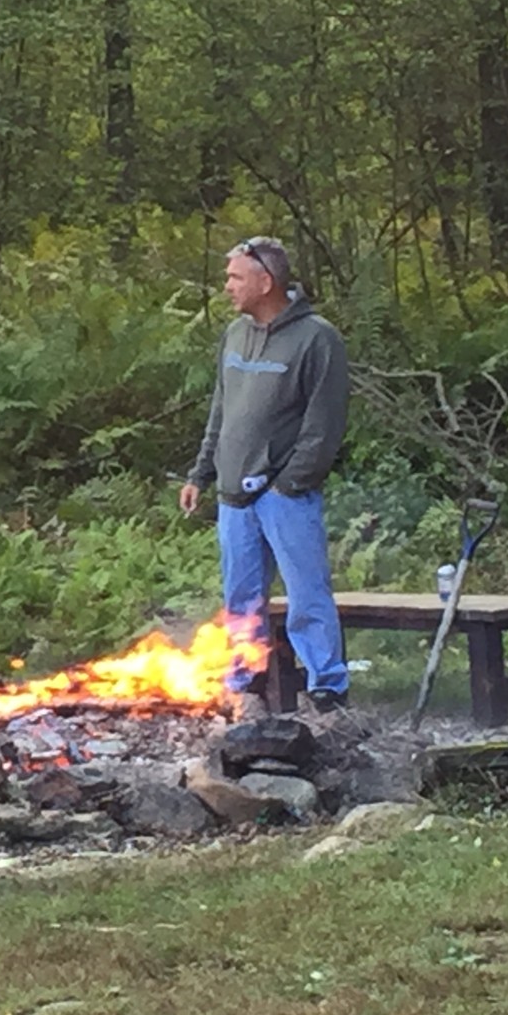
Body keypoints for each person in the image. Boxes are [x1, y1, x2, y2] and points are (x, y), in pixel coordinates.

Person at [179, 237, 351, 712]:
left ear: (265, 281)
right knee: (241, 598)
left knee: (307, 595)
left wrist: (288, 484)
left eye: (235, 277)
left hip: (285, 496)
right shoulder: (235, 335)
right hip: (233, 496)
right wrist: (200, 474)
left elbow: (324, 425)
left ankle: (327, 687)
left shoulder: (317, 339)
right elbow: (221, 411)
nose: (227, 286)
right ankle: (245, 687)